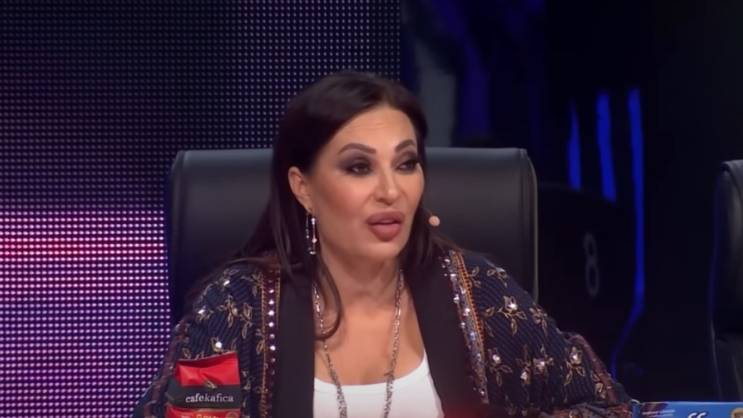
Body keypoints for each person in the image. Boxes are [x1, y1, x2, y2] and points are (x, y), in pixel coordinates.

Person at [133, 71, 633, 418]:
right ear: (303, 188)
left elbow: (606, 407)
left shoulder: (479, 293)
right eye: (359, 167)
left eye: (406, 163)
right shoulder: (238, 307)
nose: (391, 191)